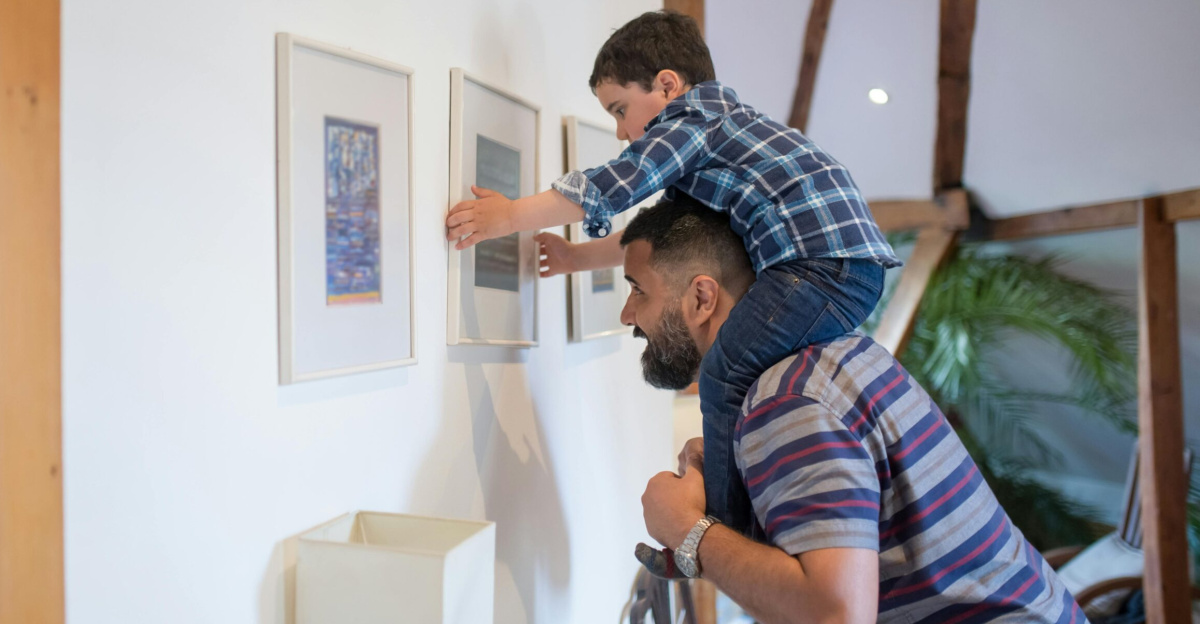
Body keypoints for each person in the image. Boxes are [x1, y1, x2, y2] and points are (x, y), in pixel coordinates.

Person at [444, 10, 901, 555]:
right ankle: (749, 503)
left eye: (620, 110)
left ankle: (726, 528)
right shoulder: (713, 143)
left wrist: (511, 215)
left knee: (725, 370)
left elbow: (616, 184)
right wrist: (571, 258)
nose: (620, 131)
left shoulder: (695, 121)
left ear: (667, 86)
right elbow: (655, 241)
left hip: (824, 263)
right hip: (837, 263)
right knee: (747, 374)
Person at [621, 195, 1087, 623]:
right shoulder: (835, 351)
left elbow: (836, 615)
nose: (626, 314)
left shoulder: (785, 403)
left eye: (638, 289)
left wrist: (685, 528)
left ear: (702, 298)